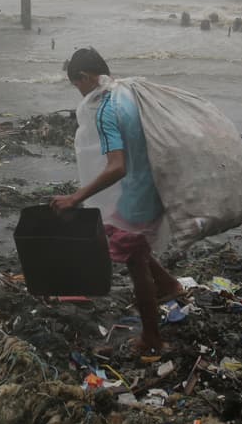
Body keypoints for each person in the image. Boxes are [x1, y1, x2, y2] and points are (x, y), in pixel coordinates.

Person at [50, 48, 181, 355]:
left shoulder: (107, 109)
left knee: (134, 262)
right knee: (134, 244)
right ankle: (169, 285)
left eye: (76, 85)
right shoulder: (128, 92)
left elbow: (116, 166)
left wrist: (75, 197)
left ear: (83, 77)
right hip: (152, 184)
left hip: (136, 196)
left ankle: (152, 338)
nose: (79, 93)